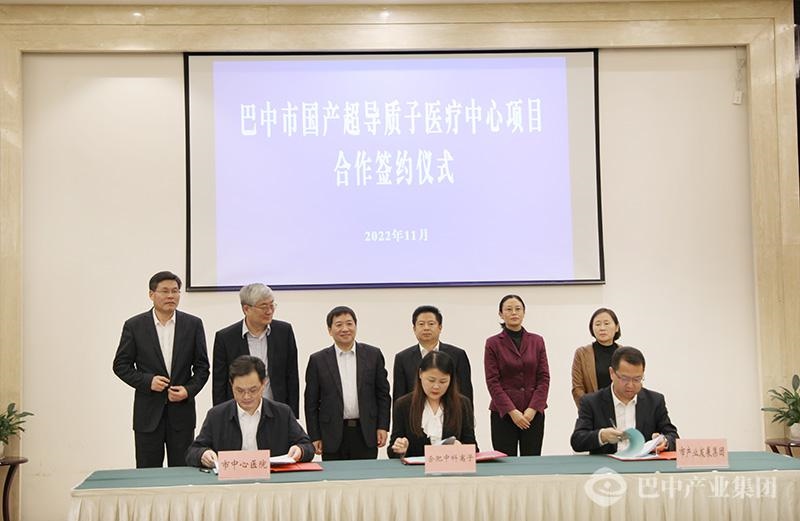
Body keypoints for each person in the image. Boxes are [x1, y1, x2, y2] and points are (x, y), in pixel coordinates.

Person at [113, 271, 210, 468]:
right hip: (148, 416)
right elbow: (121, 365)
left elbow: (202, 367)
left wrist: (188, 390)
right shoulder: (135, 326)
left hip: (181, 415)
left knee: (183, 473)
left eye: (175, 291)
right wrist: (147, 381)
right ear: (151, 294)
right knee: (148, 474)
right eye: (165, 291)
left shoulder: (193, 324)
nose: (171, 296)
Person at [186, 355, 314, 467]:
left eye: (253, 390)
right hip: (231, 481)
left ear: (264, 384)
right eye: (239, 390)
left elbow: (307, 446)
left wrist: (300, 450)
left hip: (272, 480)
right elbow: (193, 451)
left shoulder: (282, 413)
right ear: (231, 385)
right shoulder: (217, 416)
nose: (246, 396)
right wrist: (203, 454)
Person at [304, 306, 391, 460]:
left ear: (355, 326)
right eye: (339, 325)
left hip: (366, 432)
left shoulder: (373, 355)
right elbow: (311, 402)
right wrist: (315, 436)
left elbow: (383, 395)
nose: (345, 329)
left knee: (366, 474)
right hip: (331, 434)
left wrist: (383, 426)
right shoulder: (318, 360)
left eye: (349, 324)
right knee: (334, 475)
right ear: (330, 330)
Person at [570, 346, 679, 454]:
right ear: (612, 373)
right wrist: (602, 436)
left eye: (637, 379)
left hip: (642, 463)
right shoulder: (592, 402)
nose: (630, 385)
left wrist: (664, 441)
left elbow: (673, 436)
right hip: (607, 464)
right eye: (625, 378)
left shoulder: (655, 401)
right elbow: (577, 441)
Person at [212, 283, 299, 418]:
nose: (269, 311)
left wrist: (292, 416)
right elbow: (219, 384)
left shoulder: (284, 332)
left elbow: (292, 376)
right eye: (264, 307)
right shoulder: (226, 338)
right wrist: (220, 418)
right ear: (246, 309)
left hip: (275, 411)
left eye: (272, 305)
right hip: (240, 413)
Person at [484, 294, 550, 456]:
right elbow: (492, 381)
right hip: (503, 414)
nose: (514, 312)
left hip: (532, 414)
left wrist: (532, 409)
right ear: (501, 314)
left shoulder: (537, 341)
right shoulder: (493, 343)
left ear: (524, 312)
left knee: (532, 462)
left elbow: (544, 378)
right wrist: (512, 411)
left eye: (518, 309)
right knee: (505, 463)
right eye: (508, 309)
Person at [389, 351, 476, 458]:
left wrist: (461, 447)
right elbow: (392, 450)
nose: (436, 386)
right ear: (420, 374)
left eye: (443, 381)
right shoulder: (403, 405)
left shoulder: (462, 404)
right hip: (416, 468)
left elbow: (473, 447)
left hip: (450, 466)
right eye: (431, 380)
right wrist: (400, 449)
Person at [393, 305, 473, 404]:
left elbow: (466, 393)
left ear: (440, 327)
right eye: (421, 324)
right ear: (414, 328)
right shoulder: (402, 358)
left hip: (450, 411)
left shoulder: (458, 355)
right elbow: (399, 397)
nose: (426, 328)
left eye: (431, 324)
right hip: (414, 411)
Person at [571, 307, 623, 407]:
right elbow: (577, 388)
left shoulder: (625, 353)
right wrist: (591, 409)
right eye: (598, 324)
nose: (602, 328)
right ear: (592, 328)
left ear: (617, 327)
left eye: (606, 323)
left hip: (621, 409)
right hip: (593, 410)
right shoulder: (582, 353)